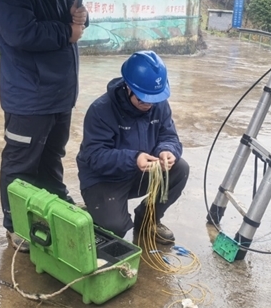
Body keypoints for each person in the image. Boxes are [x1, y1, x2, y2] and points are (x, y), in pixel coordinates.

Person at [0, 0, 88, 252]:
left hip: (60, 94)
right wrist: (67, 32)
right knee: (21, 163)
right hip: (29, 95)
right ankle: (15, 224)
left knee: (52, 157)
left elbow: (74, 10)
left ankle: (54, 204)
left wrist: (81, 16)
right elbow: (21, 32)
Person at [76, 51, 189, 245]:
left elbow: (169, 136)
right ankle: (95, 211)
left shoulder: (159, 105)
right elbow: (94, 156)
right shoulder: (101, 110)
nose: (148, 105)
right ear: (128, 86)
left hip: (140, 171)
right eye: (143, 99)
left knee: (180, 169)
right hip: (103, 179)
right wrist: (134, 159)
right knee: (115, 228)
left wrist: (167, 151)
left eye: (154, 99)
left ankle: (148, 220)